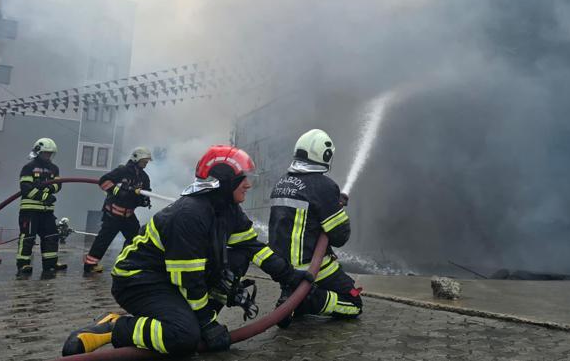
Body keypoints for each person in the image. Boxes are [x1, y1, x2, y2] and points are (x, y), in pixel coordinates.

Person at [62, 145, 313, 356]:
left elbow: (254, 248)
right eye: (242, 179)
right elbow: (188, 278)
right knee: (183, 338)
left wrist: (289, 276)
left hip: (170, 278)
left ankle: (195, 318)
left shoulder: (227, 209)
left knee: (238, 256)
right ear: (224, 182)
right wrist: (207, 324)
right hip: (139, 280)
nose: (248, 185)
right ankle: (116, 327)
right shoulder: (190, 214)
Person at [268, 129, 362, 328]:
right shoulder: (324, 186)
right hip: (310, 268)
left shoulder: (281, 182)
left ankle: (294, 298)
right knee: (354, 303)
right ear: (326, 155)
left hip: (281, 267)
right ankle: (306, 300)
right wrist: (336, 209)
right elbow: (339, 237)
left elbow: (307, 220)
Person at [83, 147, 153, 273]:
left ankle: (126, 263)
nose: (146, 164)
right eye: (144, 161)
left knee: (136, 239)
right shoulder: (123, 171)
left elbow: (146, 191)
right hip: (113, 214)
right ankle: (90, 264)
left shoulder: (144, 177)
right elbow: (103, 181)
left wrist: (144, 200)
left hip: (129, 216)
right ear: (136, 158)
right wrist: (119, 192)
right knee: (104, 240)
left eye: (147, 162)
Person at [16, 138, 66, 277]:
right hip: (30, 211)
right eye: (45, 153)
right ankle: (23, 264)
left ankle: (50, 264)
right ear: (38, 152)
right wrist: (45, 196)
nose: (48, 156)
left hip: (47, 211)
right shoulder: (28, 168)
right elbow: (26, 188)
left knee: (51, 236)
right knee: (28, 238)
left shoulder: (54, 168)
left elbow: (58, 185)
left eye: (50, 153)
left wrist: (50, 187)